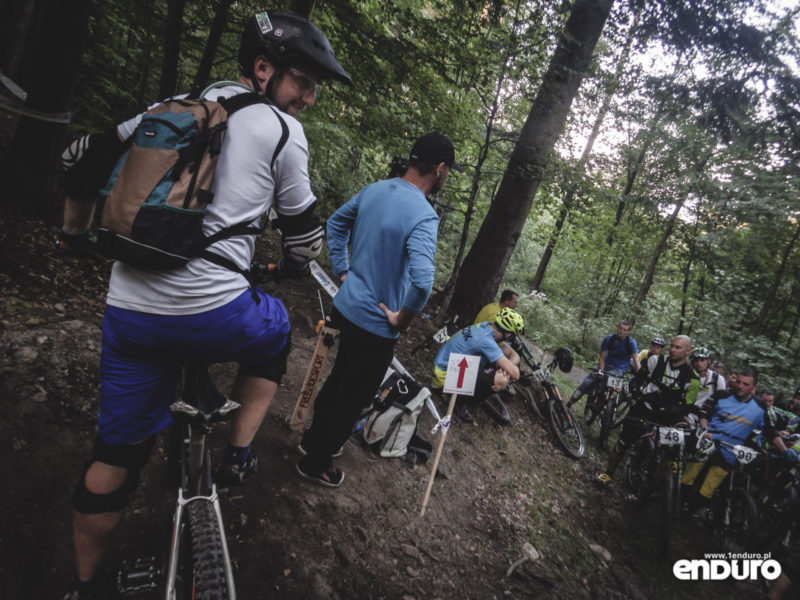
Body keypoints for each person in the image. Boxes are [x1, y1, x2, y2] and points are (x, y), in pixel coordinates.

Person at [62, 10, 351, 598]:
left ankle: (83, 586)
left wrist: (76, 237)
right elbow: (304, 241)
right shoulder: (281, 130)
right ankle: (239, 456)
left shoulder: (169, 107)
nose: (311, 98)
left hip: (130, 314)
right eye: (303, 81)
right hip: (215, 313)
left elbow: (78, 158)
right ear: (263, 69)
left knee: (115, 452)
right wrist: (287, 267)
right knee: (276, 332)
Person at [296, 132, 463, 488]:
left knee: (341, 378)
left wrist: (343, 269)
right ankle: (316, 463)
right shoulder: (423, 214)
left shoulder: (376, 189)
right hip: (375, 323)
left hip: (346, 307)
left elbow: (336, 222)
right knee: (353, 393)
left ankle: (314, 440)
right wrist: (402, 319)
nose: (446, 177)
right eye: (448, 171)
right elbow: (421, 282)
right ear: (440, 169)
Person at [595, 335, 699, 486]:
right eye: (672, 346)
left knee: (669, 453)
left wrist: (671, 411)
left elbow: (687, 405)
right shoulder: (655, 361)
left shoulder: (693, 379)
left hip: (666, 418)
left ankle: (655, 486)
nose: (673, 350)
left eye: (678, 347)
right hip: (644, 409)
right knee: (623, 443)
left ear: (688, 351)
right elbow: (638, 379)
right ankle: (608, 473)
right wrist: (636, 393)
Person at [681, 368, 786, 513]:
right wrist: (704, 429)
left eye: (745, 384)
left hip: (730, 450)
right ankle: (675, 504)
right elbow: (704, 413)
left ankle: (691, 510)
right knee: (688, 477)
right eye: (738, 382)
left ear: (754, 387)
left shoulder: (760, 406)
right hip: (708, 441)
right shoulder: (721, 395)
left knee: (708, 489)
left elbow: (770, 431)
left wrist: (784, 451)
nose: (740, 386)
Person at [432, 308, 524, 423]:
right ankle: (459, 402)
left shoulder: (486, 327)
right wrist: (506, 368)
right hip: (444, 377)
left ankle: (468, 392)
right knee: (502, 380)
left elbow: (513, 354)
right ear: (508, 334)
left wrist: (505, 366)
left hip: (445, 365)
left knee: (498, 367)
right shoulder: (486, 340)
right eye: (513, 336)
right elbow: (516, 374)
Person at [568, 320, 640, 407]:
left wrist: (638, 374)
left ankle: (608, 410)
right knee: (587, 382)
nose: (621, 331)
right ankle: (570, 402)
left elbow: (636, 359)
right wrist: (601, 371)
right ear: (617, 328)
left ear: (628, 332)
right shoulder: (609, 339)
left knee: (614, 393)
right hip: (605, 365)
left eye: (624, 330)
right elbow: (602, 357)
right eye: (620, 328)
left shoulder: (631, 343)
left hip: (619, 369)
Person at [474, 289, 521, 368]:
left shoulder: (494, 306)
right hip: (480, 345)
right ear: (506, 302)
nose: (516, 305)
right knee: (514, 355)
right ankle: (503, 370)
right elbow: (492, 339)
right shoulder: (496, 315)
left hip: (478, 336)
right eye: (515, 302)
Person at [690, 346, 727, 411]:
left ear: (708, 361)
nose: (699, 363)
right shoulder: (687, 376)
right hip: (689, 411)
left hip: (708, 413)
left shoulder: (717, 379)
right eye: (696, 360)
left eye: (702, 360)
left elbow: (722, 401)